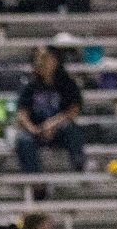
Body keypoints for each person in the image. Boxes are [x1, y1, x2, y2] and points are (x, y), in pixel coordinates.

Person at [13, 46, 85, 175]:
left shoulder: (67, 83)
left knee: (72, 130)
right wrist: (35, 130)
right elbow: (22, 114)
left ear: (55, 60)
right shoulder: (29, 84)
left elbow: (74, 110)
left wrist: (53, 124)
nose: (41, 62)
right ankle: (36, 183)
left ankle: (80, 167)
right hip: (37, 131)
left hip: (59, 129)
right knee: (23, 140)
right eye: (38, 58)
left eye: (45, 58)